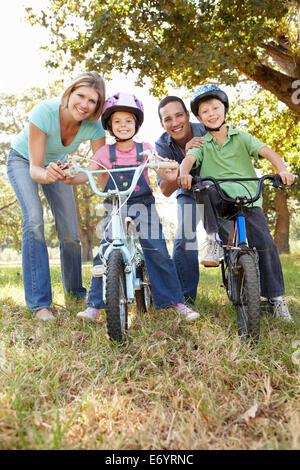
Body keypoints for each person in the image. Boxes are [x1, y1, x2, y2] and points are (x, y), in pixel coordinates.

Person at [66, 92, 200, 322]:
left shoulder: (145, 149)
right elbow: (87, 173)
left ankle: (176, 302)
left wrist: (170, 169)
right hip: (114, 205)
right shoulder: (103, 153)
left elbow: (160, 169)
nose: (123, 125)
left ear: (136, 123)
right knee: (105, 251)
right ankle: (95, 306)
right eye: (117, 121)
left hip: (142, 204)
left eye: (128, 121)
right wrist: (70, 176)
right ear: (109, 125)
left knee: (156, 250)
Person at [178, 84, 295, 321]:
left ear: (224, 110)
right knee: (202, 187)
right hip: (220, 197)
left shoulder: (241, 137)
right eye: (205, 111)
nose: (211, 113)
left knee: (266, 245)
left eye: (215, 108)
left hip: (248, 199)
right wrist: (184, 173)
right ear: (199, 118)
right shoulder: (202, 143)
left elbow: (267, 152)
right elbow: (189, 161)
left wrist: (282, 169)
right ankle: (212, 240)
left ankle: (276, 299)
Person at [6, 71, 106, 321]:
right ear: (69, 93)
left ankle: (74, 293)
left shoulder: (94, 126)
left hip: (59, 165)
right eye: (80, 96)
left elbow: (99, 166)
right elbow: (35, 169)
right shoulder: (44, 112)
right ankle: (40, 304)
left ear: (98, 105)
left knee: (71, 233)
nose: (84, 104)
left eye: (92, 101)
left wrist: (75, 177)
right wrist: (48, 173)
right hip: (24, 161)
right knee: (35, 221)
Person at [155, 96, 207, 306]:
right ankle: (184, 299)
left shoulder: (206, 130)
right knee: (185, 233)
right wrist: (184, 161)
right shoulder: (162, 145)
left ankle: (240, 286)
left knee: (230, 233)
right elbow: (165, 190)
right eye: (168, 119)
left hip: (218, 187)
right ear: (162, 124)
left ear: (188, 116)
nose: (175, 123)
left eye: (179, 115)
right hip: (188, 192)